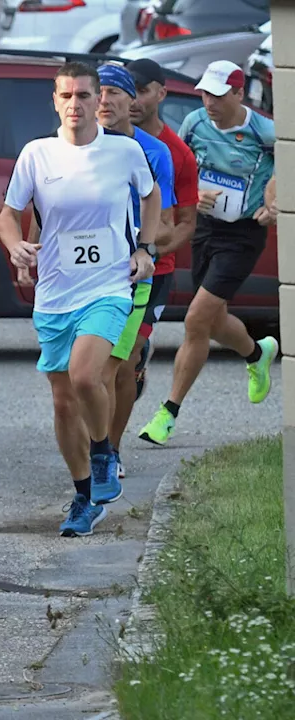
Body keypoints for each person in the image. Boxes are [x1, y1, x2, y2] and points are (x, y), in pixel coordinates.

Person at [0, 62, 159, 538]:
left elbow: (149, 199)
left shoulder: (124, 151)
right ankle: (85, 495)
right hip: (54, 293)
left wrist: (145, 249)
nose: (76, 105)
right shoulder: (37, 155)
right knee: (63, 401)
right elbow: (9, 214)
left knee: (86, 375)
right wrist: (15, 246)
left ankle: (104, 450)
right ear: (55, 100)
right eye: (66, 96)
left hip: (108, 286)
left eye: (84, 96)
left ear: (99, 101)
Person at [137, 59, 279, 447]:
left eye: (217, 95)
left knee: (196, 319)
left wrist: (275, 200)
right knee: (213, 322)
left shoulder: (264, 131)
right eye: (204, 93)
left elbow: (286, 167)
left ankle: (168, 412)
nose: (208, 101)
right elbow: (185, 171)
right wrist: (195, 195)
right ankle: (256, 354)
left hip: (244, 236)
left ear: (238, 93)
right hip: (205, 230)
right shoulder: (195, 123)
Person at [90, 63, 177, 482]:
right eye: (97, 92)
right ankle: (97, 447)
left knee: (115, 369)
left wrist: (140, 247)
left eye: (113, 92)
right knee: (83, 373)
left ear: (132, 100)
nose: (103, 101)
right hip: (84, 273)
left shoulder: (153, 151)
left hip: (138, 274)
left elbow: (168, 222)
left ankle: (110, 450)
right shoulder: (74, 146)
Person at [110, 58, 197, 471]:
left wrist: (151, 249)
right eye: (126, 91)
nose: (133, 101)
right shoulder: (92, 142)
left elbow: (182, 225)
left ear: (159, 93)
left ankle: (109, 451)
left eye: (141, 91)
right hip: (100, 271)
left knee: (121, 364)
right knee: (92, 369)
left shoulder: (172, 154)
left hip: (152, 273)